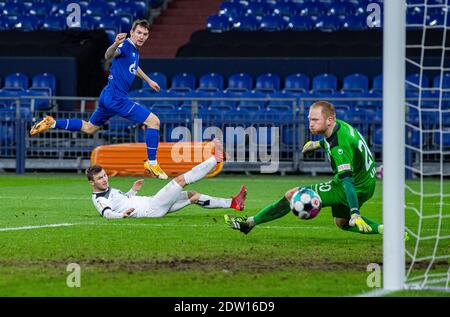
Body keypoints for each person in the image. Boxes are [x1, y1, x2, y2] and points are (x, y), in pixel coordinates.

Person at [30, 19, 168, 179]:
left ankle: (53, 123)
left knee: (89, 128)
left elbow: (134, 67)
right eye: (139, 32)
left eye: (145, 34)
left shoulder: (134, 51)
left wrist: (149, 80)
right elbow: (108, 54)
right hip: (117, 98)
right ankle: (152, 163)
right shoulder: (125, 46)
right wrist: (116, 43)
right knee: (154, 122)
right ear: (131, 32)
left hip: (107, 95)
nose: (142, 36)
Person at [225, 100, 384, 236]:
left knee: (291, 194)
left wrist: (355, 212)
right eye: (310, 120)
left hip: (353, 186)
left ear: (329, 120)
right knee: (341, 222)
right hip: (367, 182)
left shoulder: (338, 148)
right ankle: (385, 230)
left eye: (315, 120)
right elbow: (333, 142)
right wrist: (317, 144)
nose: (311, 124)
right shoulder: (341, 126)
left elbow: (347, 182)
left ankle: (249, 223)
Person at [87, 139, 247, 219]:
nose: (105, 180)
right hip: (151, 208)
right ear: (92, 182)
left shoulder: (109, 191)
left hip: (151, 204)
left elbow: (124, 201)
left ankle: (233, 203)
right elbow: (107, 213)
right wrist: (121, 216)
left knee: (192, 196)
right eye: (100, 178)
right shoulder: (99, 198)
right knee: (179, 181)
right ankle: (215, 159)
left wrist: (133, 190)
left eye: (105, 176)